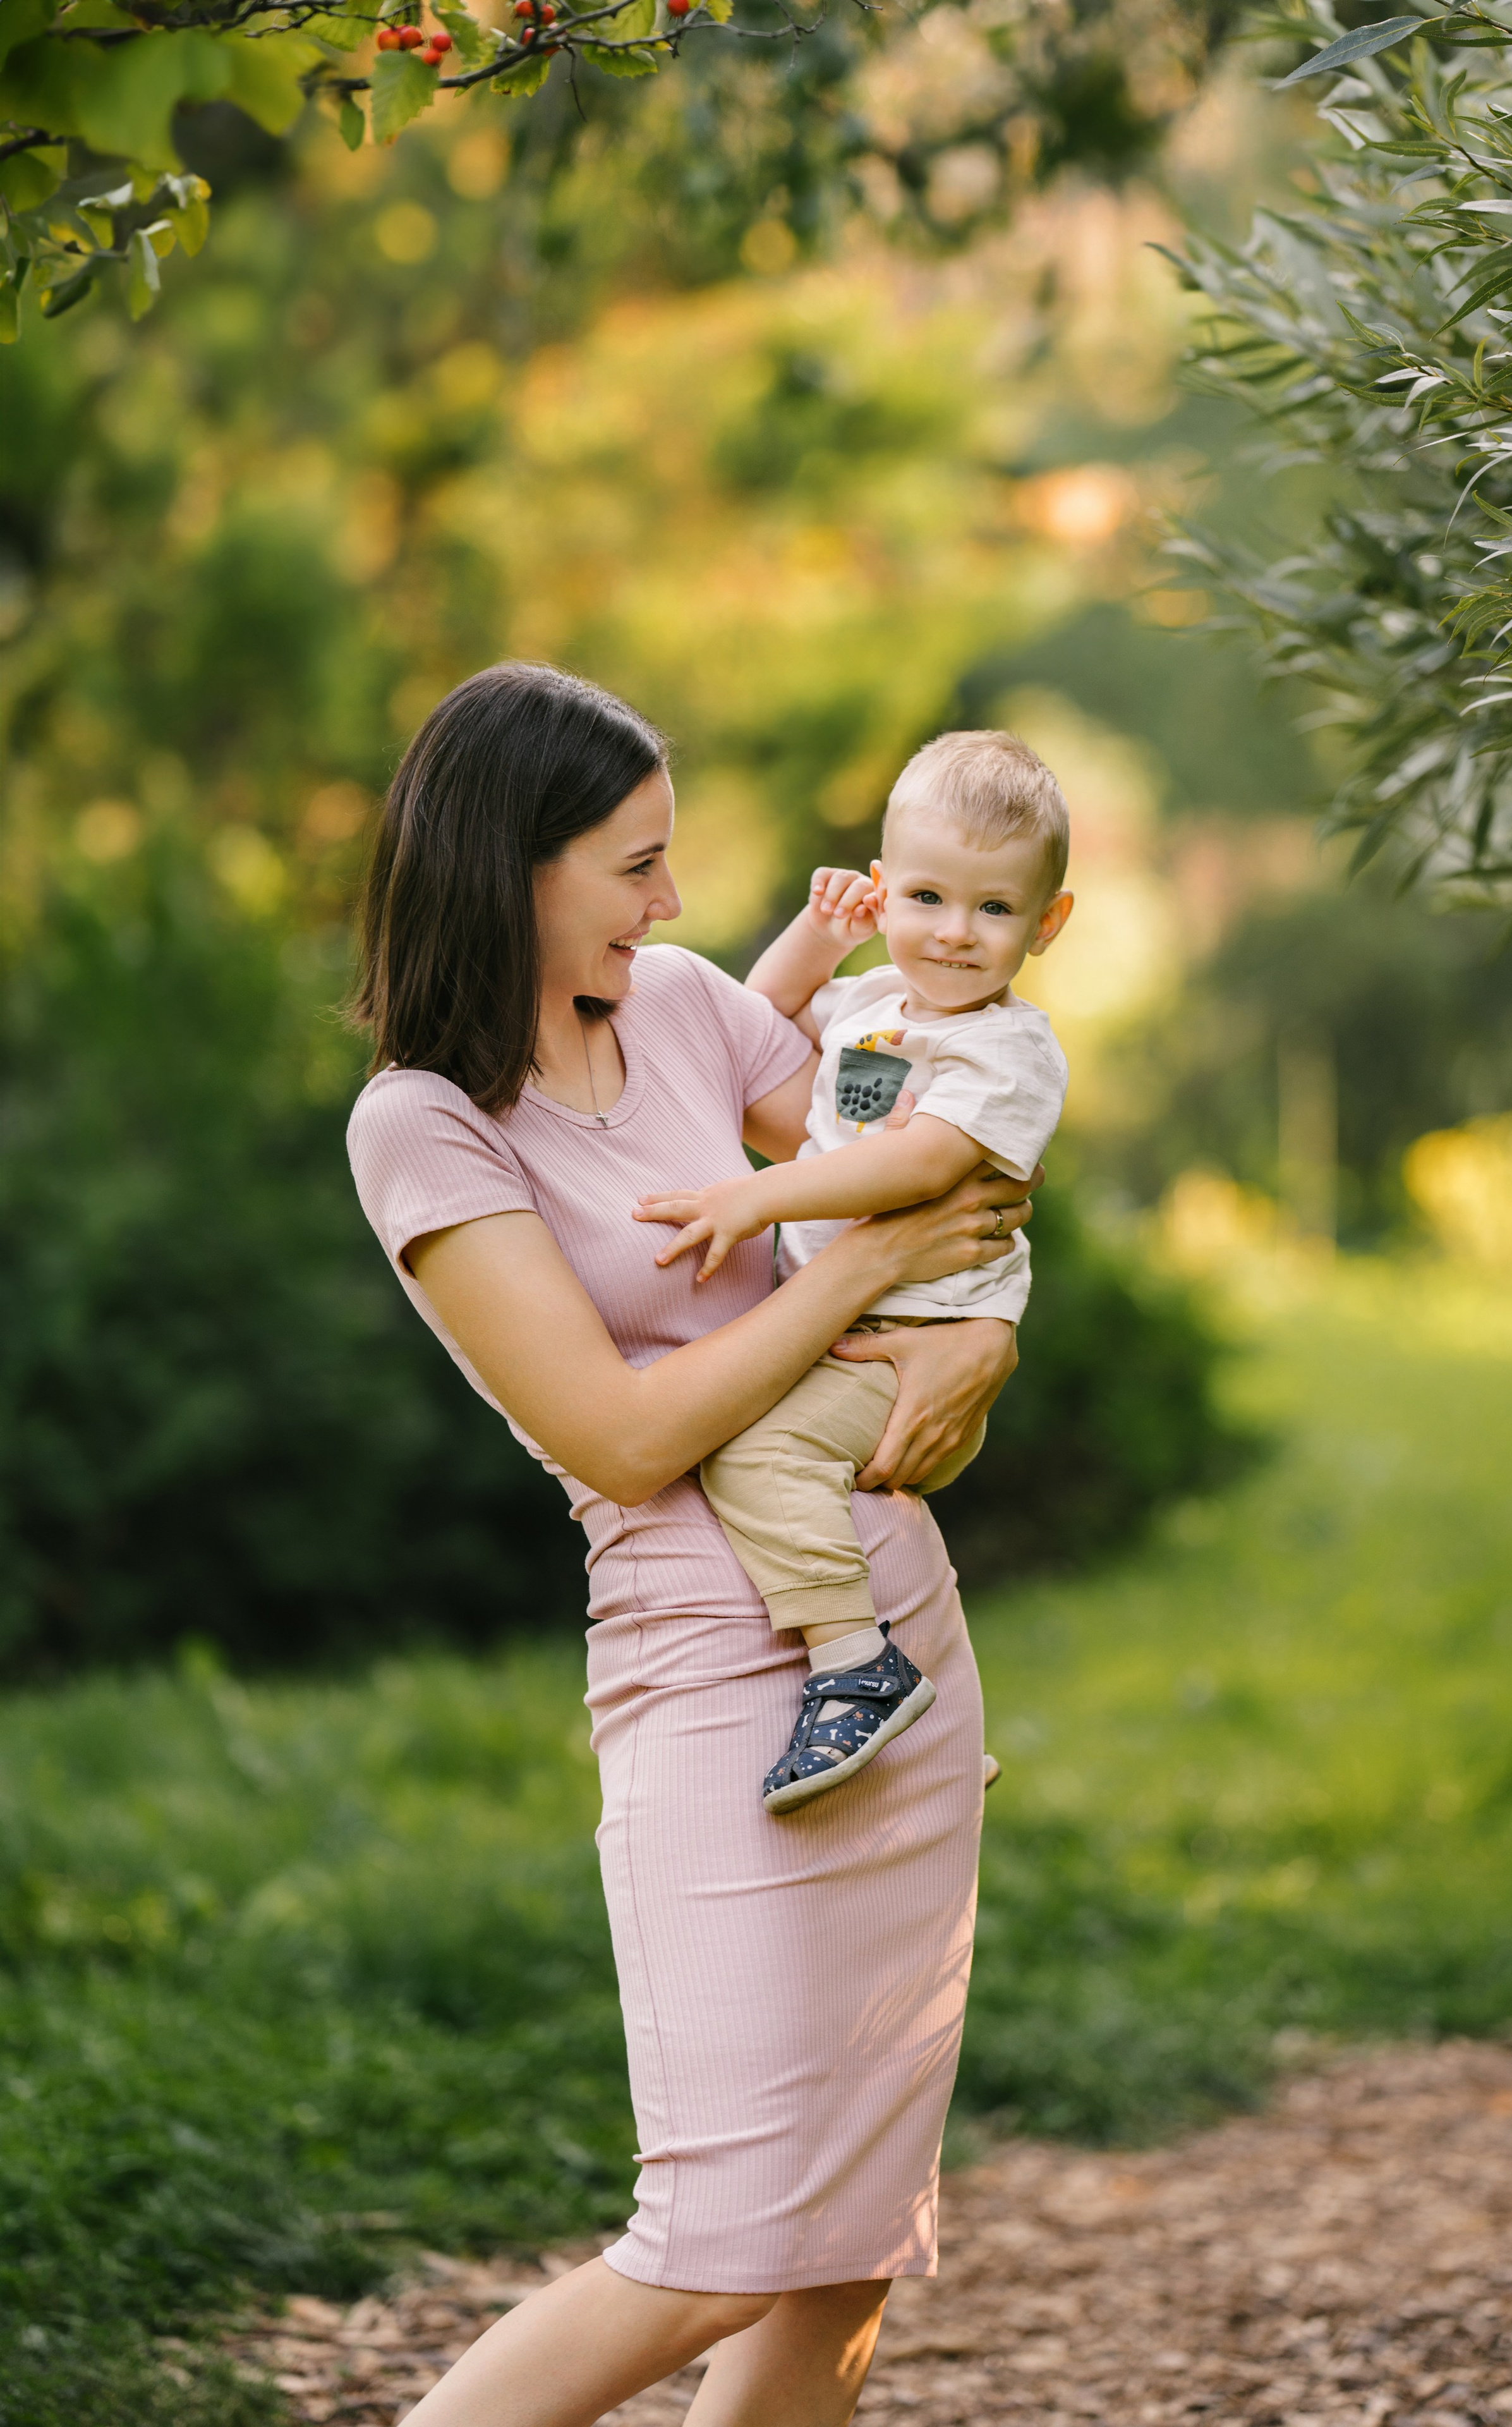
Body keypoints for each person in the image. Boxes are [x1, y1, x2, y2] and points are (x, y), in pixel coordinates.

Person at [345, 662, 1036, 2427]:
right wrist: (873, 1282)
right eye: (635, 868)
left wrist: (983, 1333)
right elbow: (629, 1433)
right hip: (713, 1676)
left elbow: (940, 1190)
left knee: (846, 2247)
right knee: (721, 2241)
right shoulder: (425, 1124)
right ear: (513, 867)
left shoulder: (679, 1009)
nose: (671, 906)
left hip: (895, 1633)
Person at [633, 731, 1071, 1815]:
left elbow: (919, 1162)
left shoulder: (1008, 1052)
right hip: (856, 1330)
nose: (956, 934)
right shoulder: (875, 1007)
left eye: (995, 909)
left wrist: (754, 1196)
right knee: (857, 1519)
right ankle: (929, 1733)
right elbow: (755, 1026)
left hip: (911, 1344)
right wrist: (819, 937)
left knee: (756, 1462)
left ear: (1047, 924)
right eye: (925, 896)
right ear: (886, 889)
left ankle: (854, 1670)